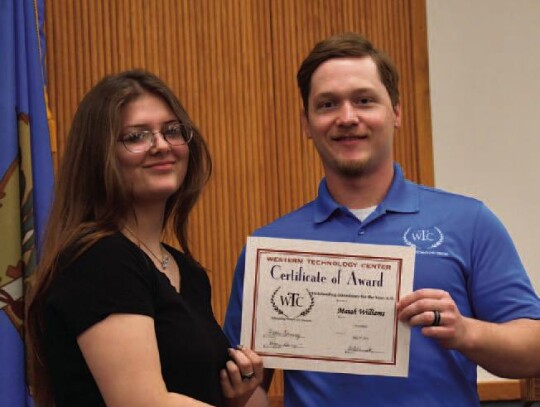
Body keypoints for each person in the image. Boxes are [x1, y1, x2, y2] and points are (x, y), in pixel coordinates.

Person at [224, 33, 540, 406]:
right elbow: (250, 385)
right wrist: (240, 393)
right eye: (327, 104)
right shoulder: (271, 249)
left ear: (396, 112)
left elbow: (533, 348)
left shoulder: (469, 222)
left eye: (364, 100)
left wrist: (465, 332)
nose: (347, 117)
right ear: (306, 124)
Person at [27, 70, 265, 407]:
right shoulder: (99, 260)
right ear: (99, 156)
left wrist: (236, 396)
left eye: (172, 131)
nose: (162, 145)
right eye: (136, 136)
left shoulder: (188, 272)